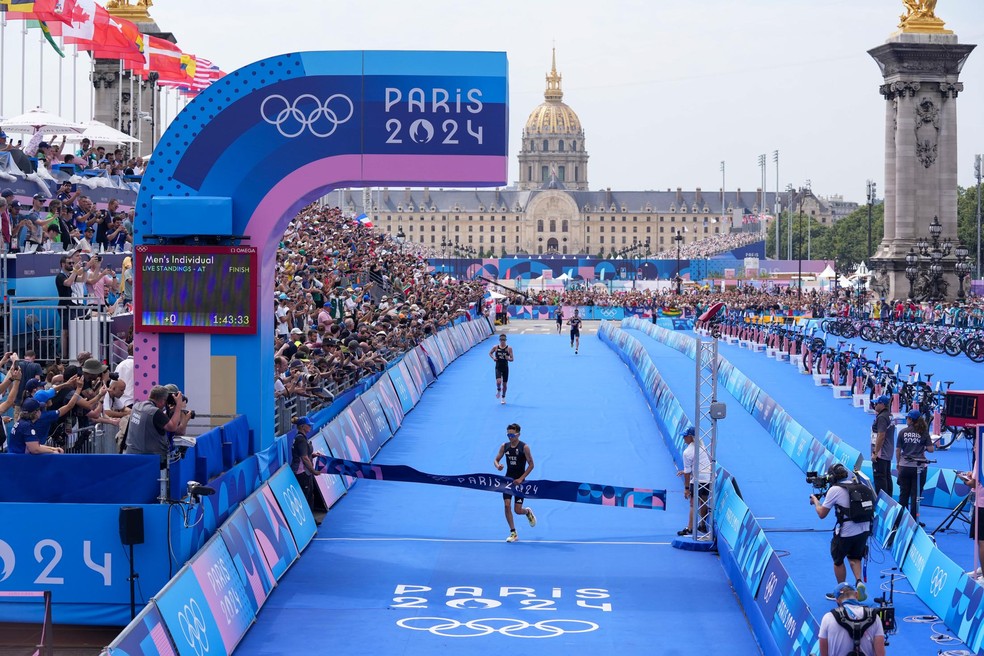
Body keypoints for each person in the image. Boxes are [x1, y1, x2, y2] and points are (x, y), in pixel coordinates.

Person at [811, 463, 871, 602]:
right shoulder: (861, 485)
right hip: (864, 530)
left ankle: (842, 591)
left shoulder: (835, 490)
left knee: (838, 561)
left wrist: (815, 501)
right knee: (855, 557)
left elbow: (821, 514)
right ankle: (858, 582)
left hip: (846, 532)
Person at [7, 381, 83, 455]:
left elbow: (35, 445)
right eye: (38, 409)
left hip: (16, 458)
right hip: (18, 461)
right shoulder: (31, 423)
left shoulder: (22, 420)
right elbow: (35, 449)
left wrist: (53, 449)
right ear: (35, 412)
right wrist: (79, 389)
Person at [124, 385, 191, 465]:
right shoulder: (154, 412)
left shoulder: (137, 406)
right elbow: (172, 427)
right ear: (163, 401)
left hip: (132, 454)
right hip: (151, 459)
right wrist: (178, 407)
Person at [494, 423, 536, 543]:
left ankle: (527, 511)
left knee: (517, 510)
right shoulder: (504, 446)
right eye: (508, 434)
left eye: (512, 434)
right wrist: (498, 466)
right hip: (508, 481)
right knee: (507, 505)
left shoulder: (524, 447)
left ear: (518, 434)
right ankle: (513, 533)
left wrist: (521, 479)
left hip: (520, 482)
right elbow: (496, 460)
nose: (510, 436)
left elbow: (531, 465)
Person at [818, 582, 885, 656]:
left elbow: (823, 653)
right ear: (856, 595)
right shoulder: (874, 617)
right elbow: (880, 653)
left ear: (836, 600)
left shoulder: (828, 618)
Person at [896, 409, 933, 521]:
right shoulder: (924, 432)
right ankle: (914, 521)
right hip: (919, 468)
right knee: (915, 496)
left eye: (907, 418)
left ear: (911, 419)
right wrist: (923, 447)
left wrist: (898, 463)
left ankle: (901, 520)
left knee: (903, 494)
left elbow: (898, 450)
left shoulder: (902, 432)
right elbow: (931, 449)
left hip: (905, 467)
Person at [677, 427, 711, 537]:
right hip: (707, 478)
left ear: (691, 437)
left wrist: (686, 489)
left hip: (697, 480)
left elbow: (687, 472)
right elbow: (699, 465)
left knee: (692, 504)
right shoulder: (702, 447)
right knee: (703, 501)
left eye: (685, 436)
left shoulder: (687, 452)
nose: (683, 438)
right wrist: (686, 472)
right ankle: (702, 525)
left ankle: (690, 528)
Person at [290, 417, 322, 512]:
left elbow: (304, 454)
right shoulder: (301, 440)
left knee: (310, 495)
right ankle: (309, 521)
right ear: (302, 426)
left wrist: (313, 455)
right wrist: (314, 471)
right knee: (306, 496)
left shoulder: (301, 438)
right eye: (308, 425)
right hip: (302, 473)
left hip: (305, 472)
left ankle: (311, 519)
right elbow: (304, 458)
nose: (310, 427)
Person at [870, 395, 895, 498]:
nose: (874, 405)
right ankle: (889, 500)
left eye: (877, 403)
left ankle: (882, 501)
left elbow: (881, 435)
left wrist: (875, 453)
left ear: (882, 404)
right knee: (887, 476)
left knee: (880, 477)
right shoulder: (889, 415)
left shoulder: (882, 417)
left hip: (881, 453)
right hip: (887, 451)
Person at [489, 333, 514, 405]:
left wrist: (508, 359)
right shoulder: (496, 347)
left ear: (505, 340)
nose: (502, 341)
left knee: (505, 385)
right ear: (499, 340)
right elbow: (490, 353)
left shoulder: (509, 348)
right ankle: (498, 389)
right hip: (498, 367)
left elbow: (512, 359)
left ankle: (503, 397)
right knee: (498, 382)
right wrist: (493, 357)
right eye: (501, 340)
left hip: (505, 368)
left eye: (504, 340)